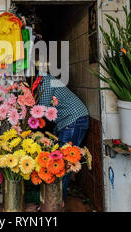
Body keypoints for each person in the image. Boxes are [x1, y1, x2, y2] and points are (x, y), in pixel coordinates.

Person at [36, 70, 89, 202]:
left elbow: (41, 109)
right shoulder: (38, 81)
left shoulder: (45, 81)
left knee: (62, 163)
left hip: (74, 120)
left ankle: (57, 203)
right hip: (66, 121)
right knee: (56, 159)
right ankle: (53, 201)